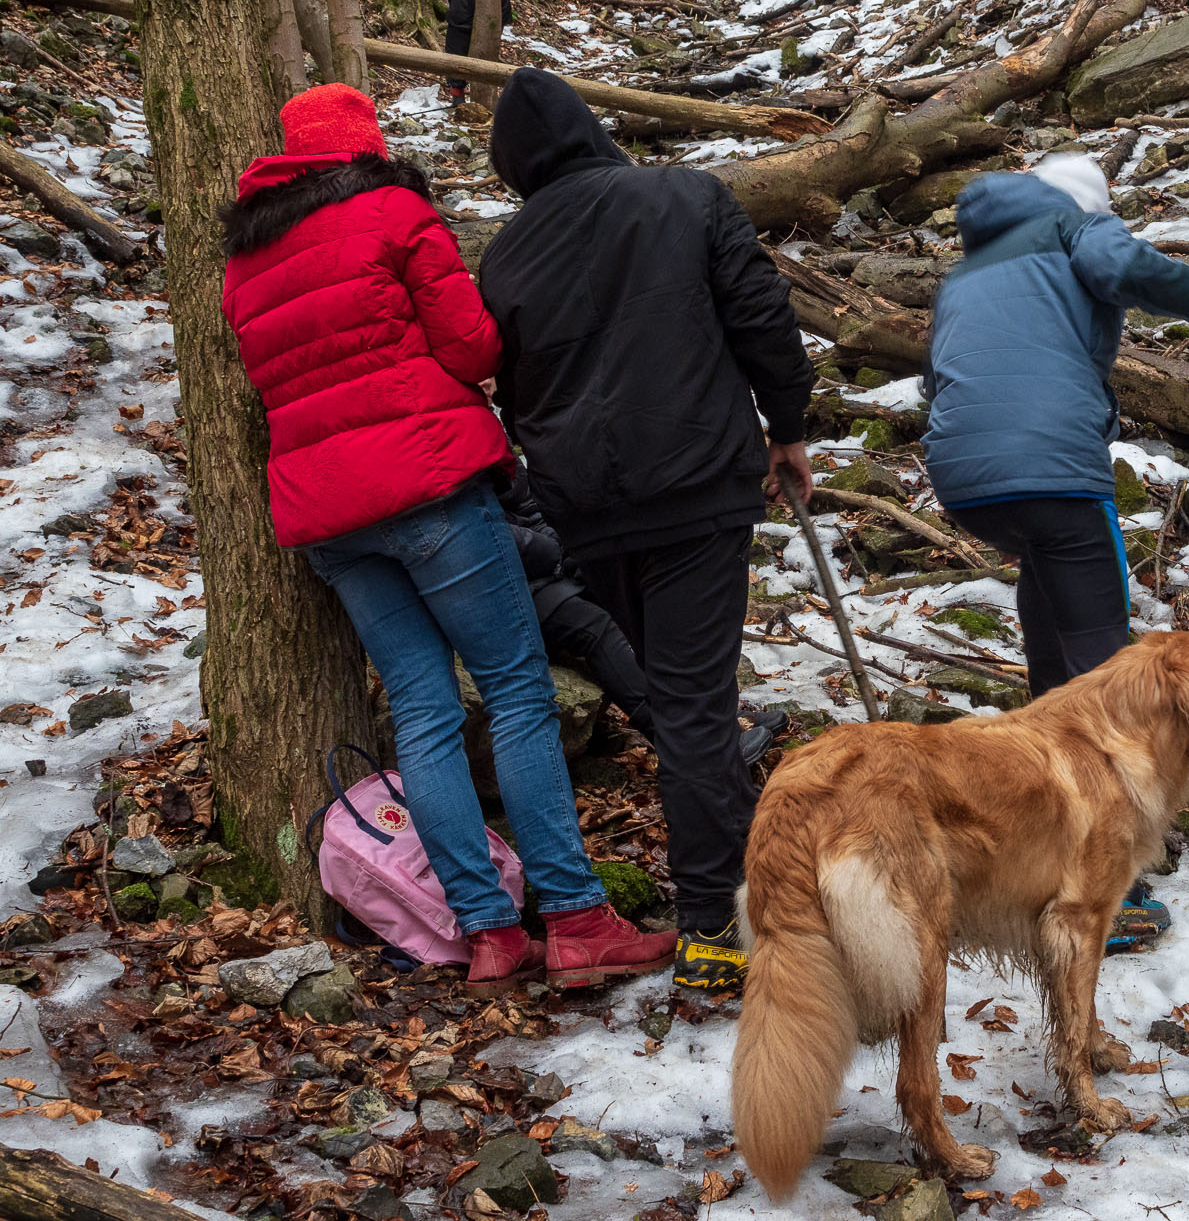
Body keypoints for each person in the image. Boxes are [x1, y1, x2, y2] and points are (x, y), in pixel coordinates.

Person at [219, 82, 672, 992]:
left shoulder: (245, 258)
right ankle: (579, 919)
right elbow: (470, 348)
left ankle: (488, 932)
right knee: (515, 692)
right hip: (426, 483)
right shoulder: (393, 210)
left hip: (327, 516)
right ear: (365, 147)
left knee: (424, 713)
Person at [478, 67, 815, 994]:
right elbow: (761, 316)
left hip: (588, 508)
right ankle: (718, 916)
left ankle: (748, 871)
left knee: (683, 702)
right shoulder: (685, 194)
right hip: (697, 482)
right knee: (694, 703)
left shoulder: (505, 257)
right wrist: (786, 429)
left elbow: (510, 382)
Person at [922, 151, 1189, 950]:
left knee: (1059, 662)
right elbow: (1124, 261)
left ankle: (1041, 836)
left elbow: (940, 380)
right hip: (1052, 466)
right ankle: (1106, 882)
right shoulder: (1075, 227)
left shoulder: (967, 271)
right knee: (1109, 676)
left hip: (964, 477)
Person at [499, 462, 790, 766]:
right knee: (596, 627)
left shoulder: (486, 436)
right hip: (506, 583)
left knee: (644, 601)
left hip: (549, 560)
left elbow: (534, 506)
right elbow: (488, 537)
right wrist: (553, 551)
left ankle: (714, 718)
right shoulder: (455, 446)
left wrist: (571, 549)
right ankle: (691, 746)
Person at [442, 0, 516, 105]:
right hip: (495, 10)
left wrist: (455, 1)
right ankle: (484, 95)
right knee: (487, 51)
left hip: (462, 10)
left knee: (456, 51)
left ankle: (458, 95)